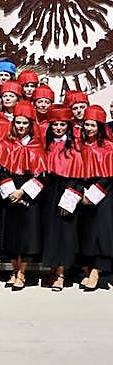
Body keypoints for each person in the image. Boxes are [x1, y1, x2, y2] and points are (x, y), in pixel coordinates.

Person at [0, 101, 46, 291]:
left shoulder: (37, 146)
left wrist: (23, 192)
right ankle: (13, 271)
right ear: (13, 123)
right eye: (18, 123)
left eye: (25, 123)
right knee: (11, 236)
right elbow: (0, 170)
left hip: (29, 198)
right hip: (10, 196)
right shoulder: (5, 144)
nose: (21, 126)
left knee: (26, 237)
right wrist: (11, 192)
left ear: (31, 124)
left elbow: (41, 175)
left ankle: (22, 273)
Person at [42, 105, 84, 291]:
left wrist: (70, 198)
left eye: (62, 125)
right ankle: (51, 269)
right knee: (50, 232)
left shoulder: (75, 146)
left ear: (68, 125)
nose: (58, 128)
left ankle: (61, 273)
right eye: (55, 125)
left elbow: (78, 174)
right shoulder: (47, 144)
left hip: (67, 189)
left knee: (64, 233)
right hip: (49, 191)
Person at [77, 106, 112, 291]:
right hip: (83, 192)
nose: (88, 128)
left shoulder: (108, 147)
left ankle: (97, 271)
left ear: (99, 127)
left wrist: (92, 195)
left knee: (100, 233)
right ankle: (87, 267)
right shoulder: (79, 145)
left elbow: (108, 177)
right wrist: (81, 192)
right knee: (86, 232)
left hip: (103, 194)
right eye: (86, 125)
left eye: (92, 125)